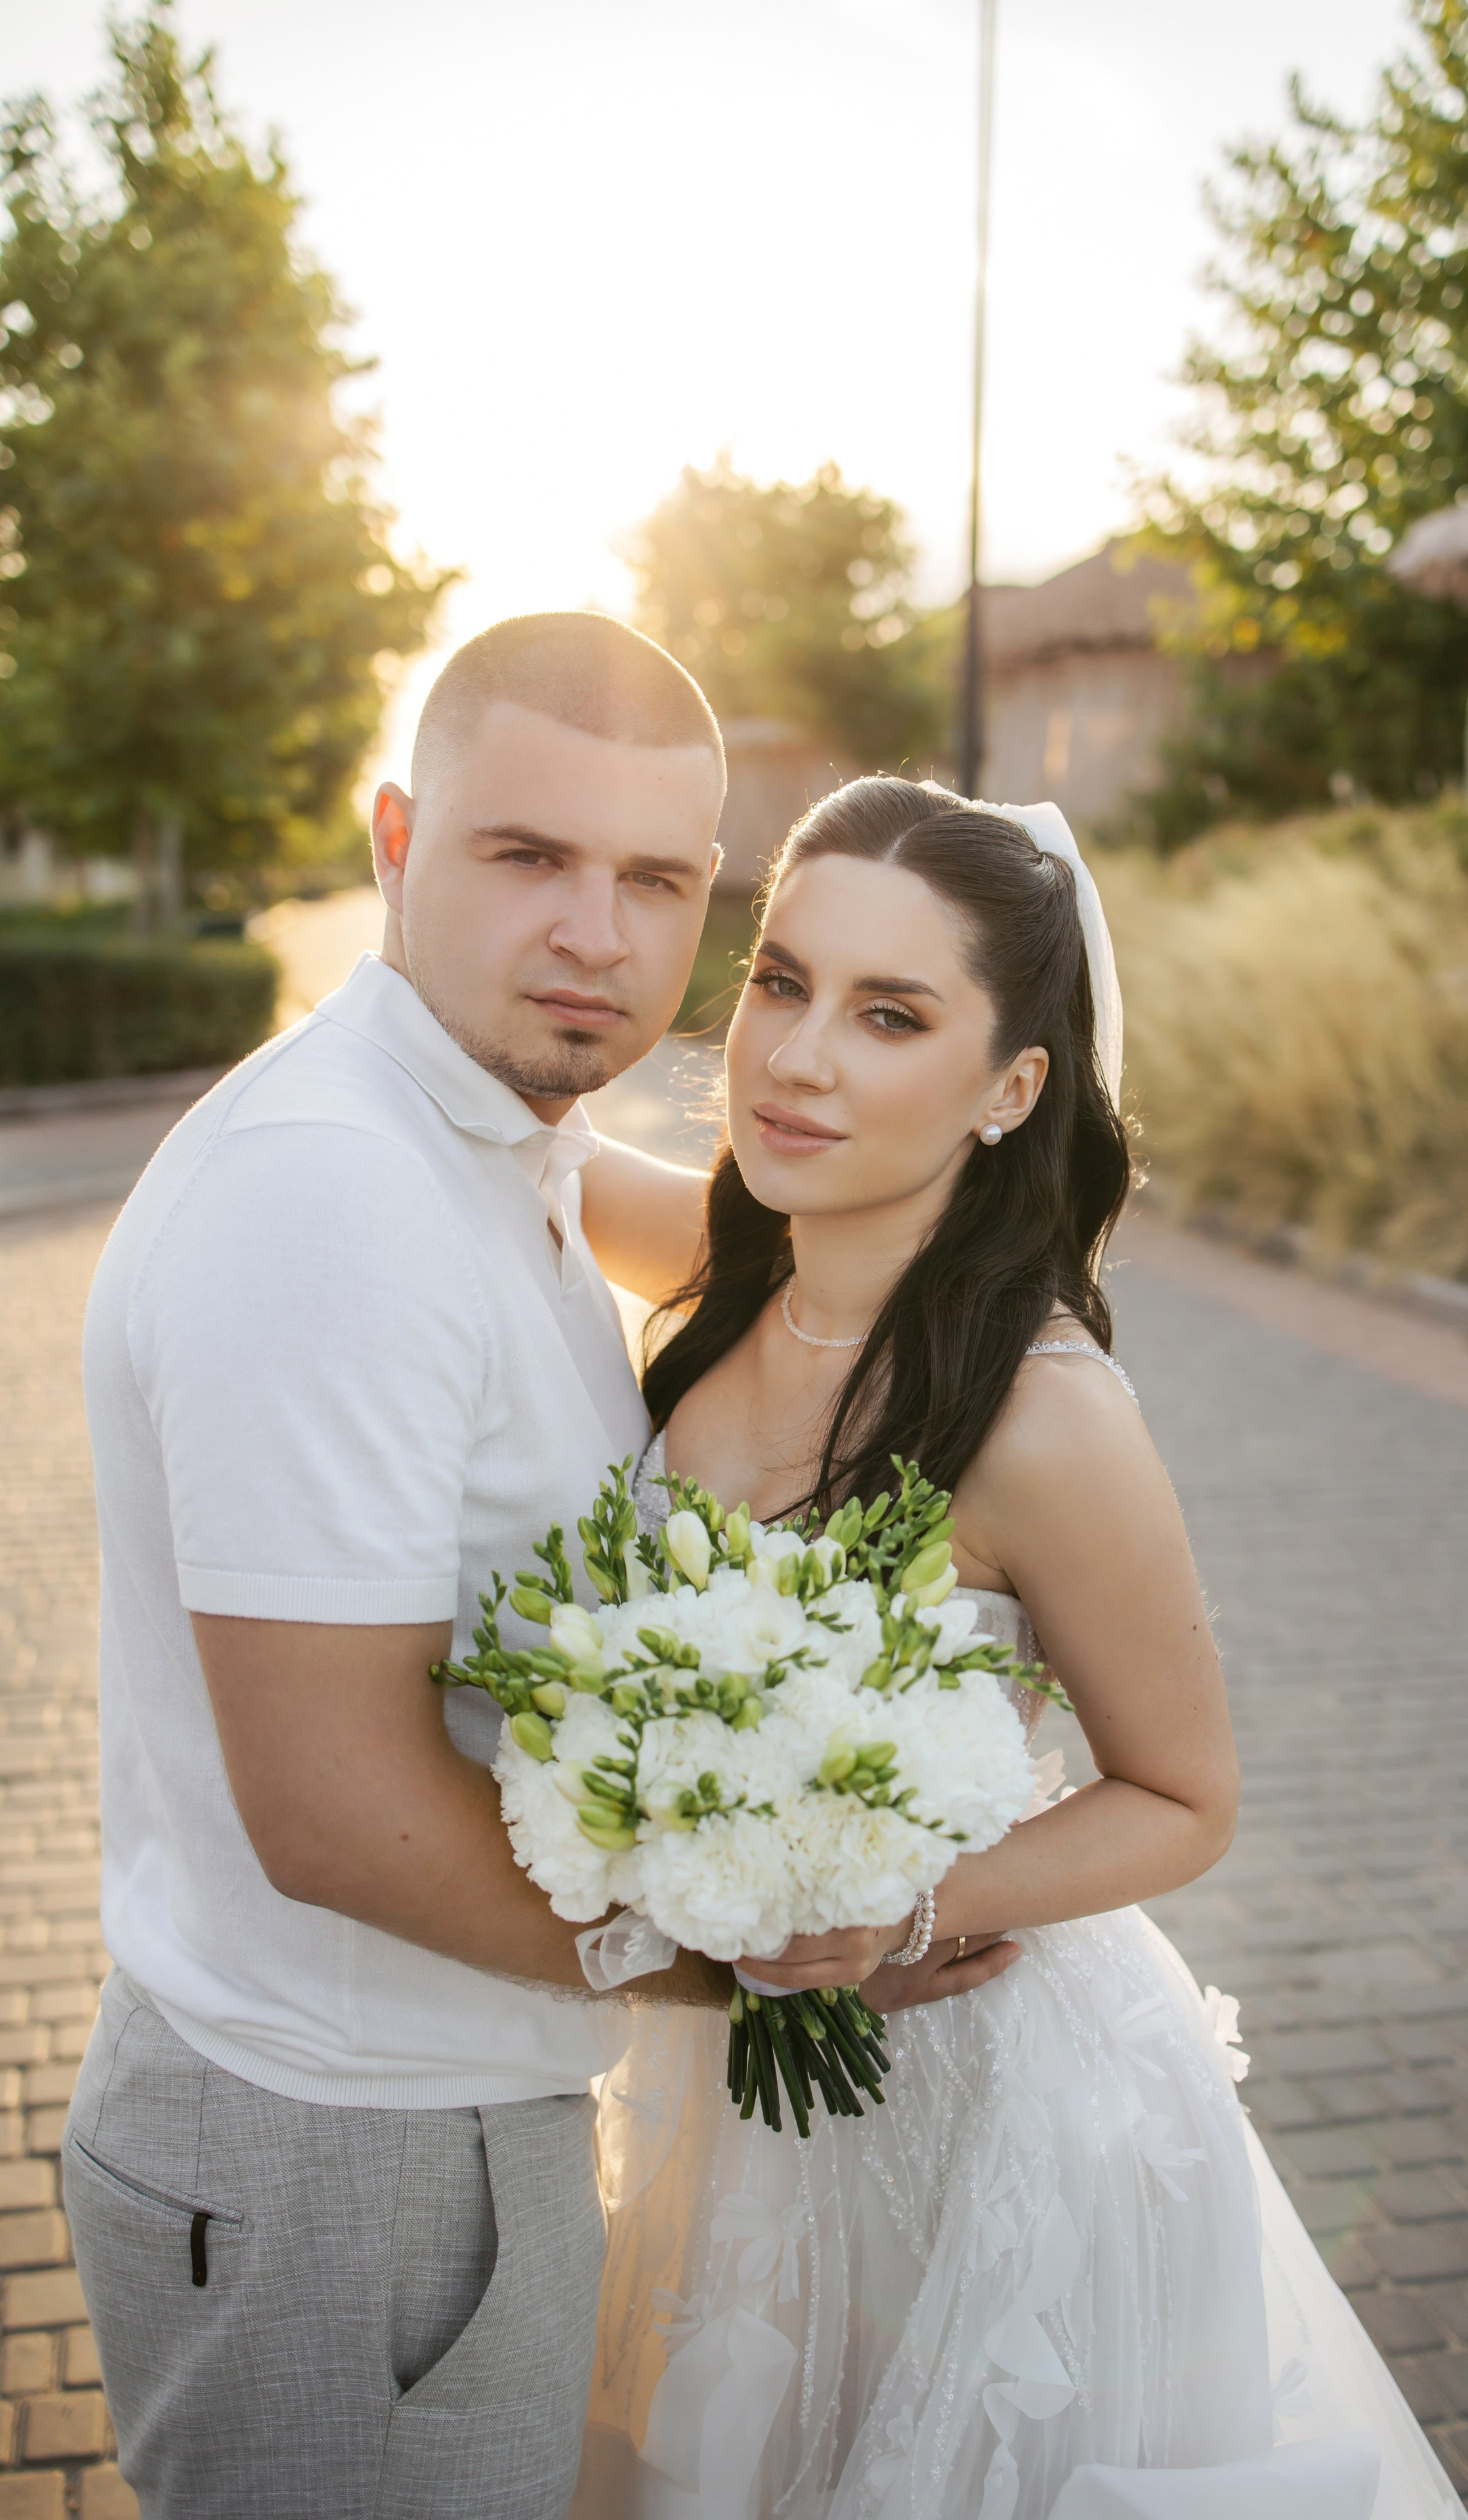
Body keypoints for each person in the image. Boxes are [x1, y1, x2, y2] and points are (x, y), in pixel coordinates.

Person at [68, 620, 1006, 2520]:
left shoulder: (497, 1145)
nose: (595, 930)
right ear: (398, 840)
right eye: (528, 857)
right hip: (339, 2154)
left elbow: (793, 1248)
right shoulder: (335, 1193)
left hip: (411, 2118)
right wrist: (752, 1960)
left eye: (656, 878)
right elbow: (332, 1811)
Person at [568, 778, 1468, 2520]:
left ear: (1010, 1086)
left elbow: (1187, 1798)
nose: (800, 1057)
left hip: (987, 2129)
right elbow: (492, 1148)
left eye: (890, 1014)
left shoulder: (1048, 1418)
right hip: (739, 2108)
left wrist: (902, 1902)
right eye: (784, 982)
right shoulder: (726, 1265)